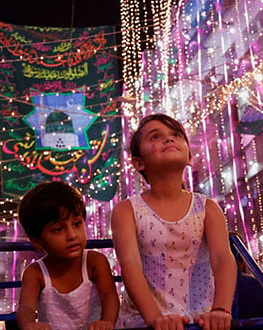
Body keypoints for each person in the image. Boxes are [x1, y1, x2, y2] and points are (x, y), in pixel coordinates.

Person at [111, 113, 238, 330]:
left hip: (200, 320)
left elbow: (222, 259)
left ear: (189, 156)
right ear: (139, 163)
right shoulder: (127, 211)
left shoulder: (207, 208)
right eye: (154, 137)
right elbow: (130, 265)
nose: (168, 139)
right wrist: (154, 318)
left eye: (176, 135)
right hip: (145, 322)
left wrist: (220, 310)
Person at [16, 181, 119, 330]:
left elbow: (109, 296)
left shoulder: (94, 261)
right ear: (37, 241)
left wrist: (107, 322)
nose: (71, 235)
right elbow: (26, 308)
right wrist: (29, 325)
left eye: (77, 224)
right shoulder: (35, 273)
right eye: (58, 229)